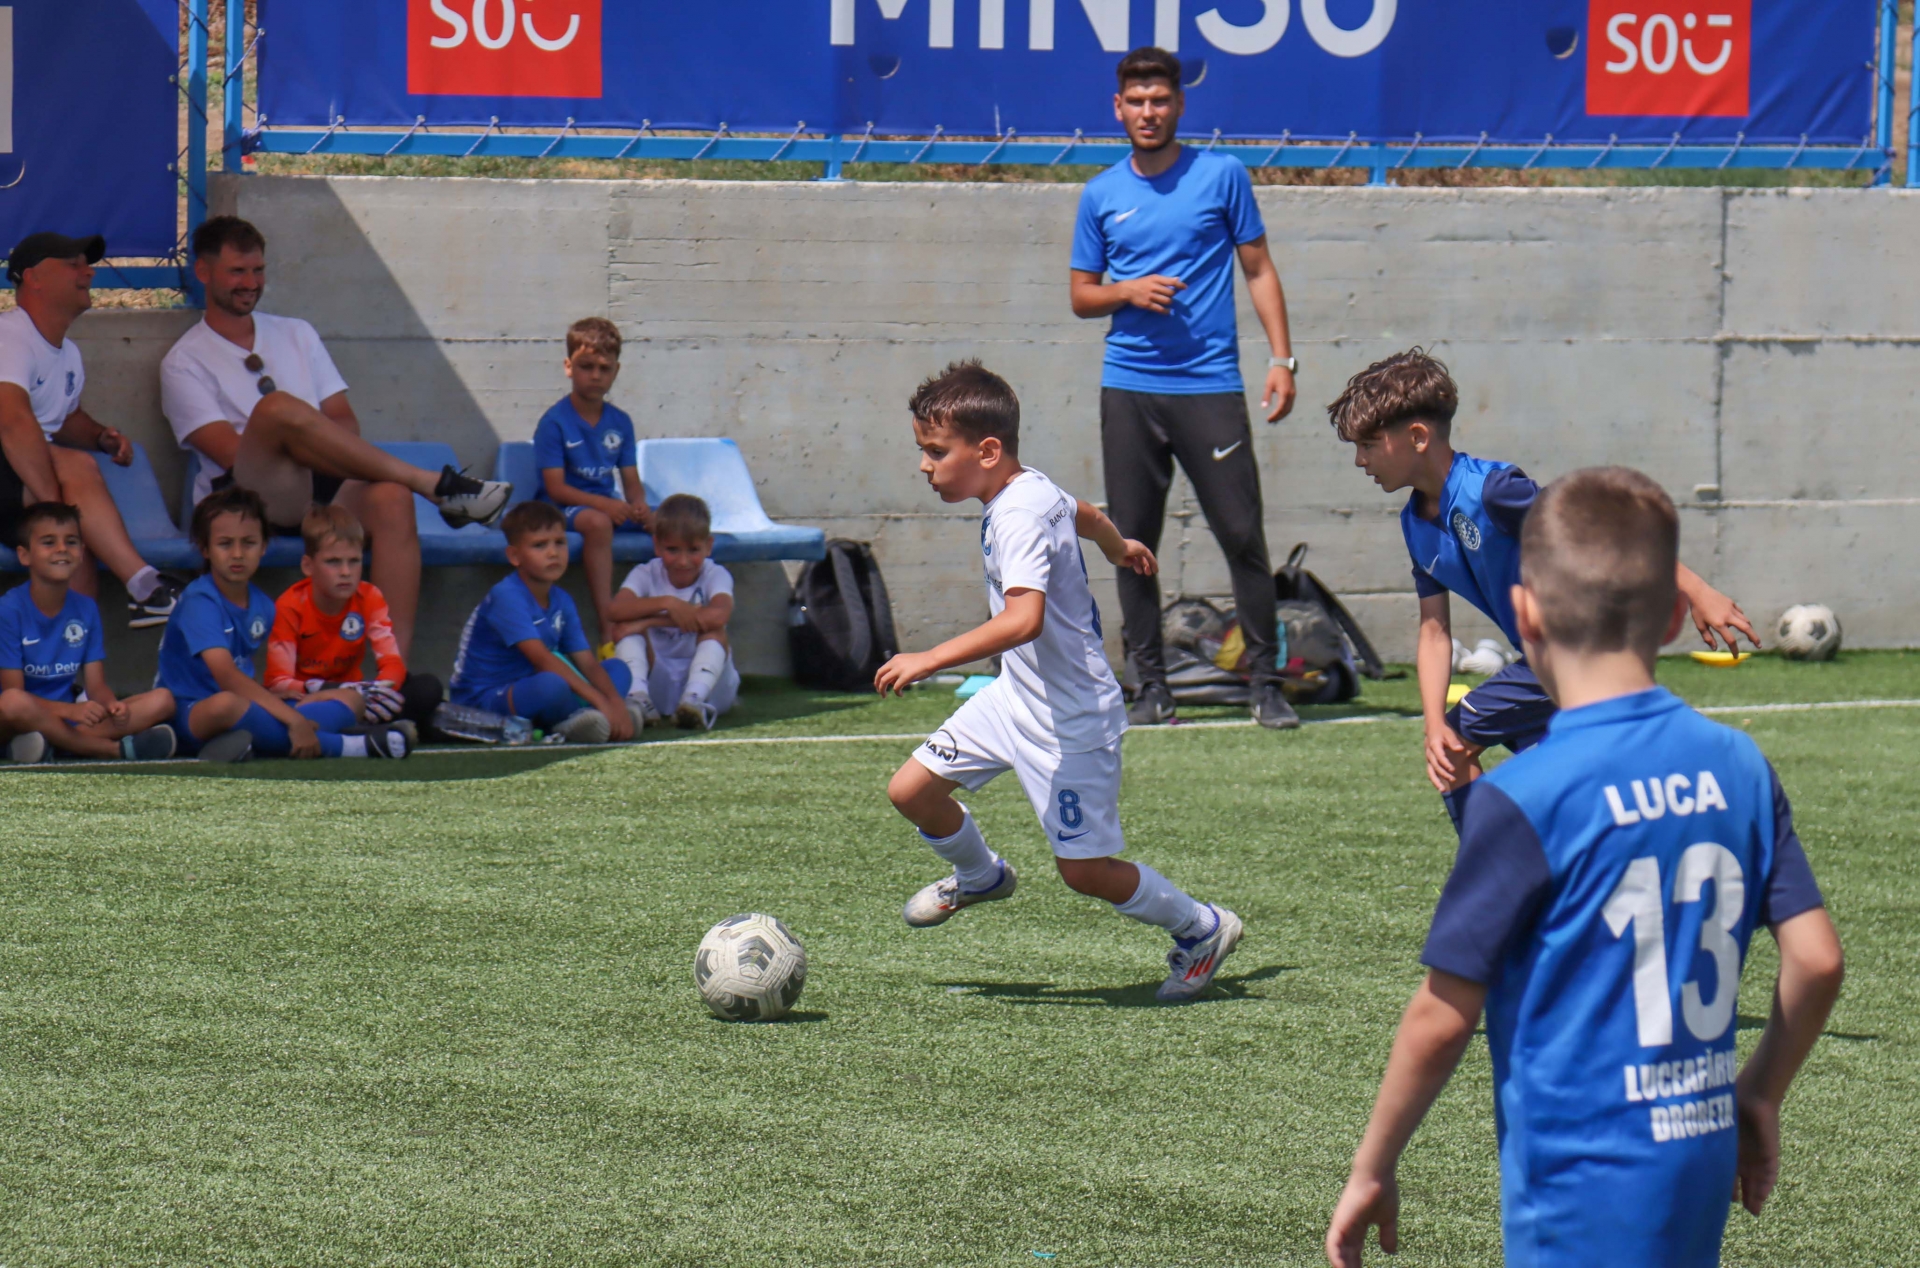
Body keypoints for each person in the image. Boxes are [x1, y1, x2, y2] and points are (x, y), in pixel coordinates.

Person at [1325, 467, 1845, 1268]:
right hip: (1700, 1154)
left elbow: (1443, 1016)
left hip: (1579, 1184)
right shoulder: (1739, 764)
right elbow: (1816, 961)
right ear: (1672, 618)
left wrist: (1373, 1166)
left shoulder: (1521, 796)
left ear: (1525, 612)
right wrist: (1760, 1091)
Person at [875, 360, 1241, 1002]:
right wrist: (1118, 546)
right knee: (911, 791)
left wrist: (930, 658)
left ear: (988, 451)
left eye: (936, 451)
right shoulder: (1029, 488)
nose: (925, 467)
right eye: (923, 452)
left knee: (1085, 872)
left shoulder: (1015, 516)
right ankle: (982, 876)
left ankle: (1202, 928)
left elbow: (1024, 619)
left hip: (1071, 719)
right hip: (1015, 697)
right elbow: (1083, 511)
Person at [1327, 349, 1757, 832]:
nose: (1360, 460)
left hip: (1577, 652)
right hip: (1540, 665)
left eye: (1369, 444)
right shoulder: (1414, 523)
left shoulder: (1493, 490)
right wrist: (1431, 722)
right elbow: (1433, 630)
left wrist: (1698, 589)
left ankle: (1494, 870)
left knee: (1459, 747)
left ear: (1418, 437)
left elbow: (1601, 530)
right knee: (1577, 788)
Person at [1070, 46, 1300, 731]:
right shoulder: (1101, 194)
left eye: (1160, 100)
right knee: (1132, 543)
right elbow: (1082, 296)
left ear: (1179, 105)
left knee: (1242, 536)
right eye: (1137, 101)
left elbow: (1258, 269)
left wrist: (1282, 360)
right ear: (1118, 108)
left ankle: (1267, 685)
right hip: (1129, 390)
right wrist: (1127, 292)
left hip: (1210, 388)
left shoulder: (1223, 176)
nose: (1149, 112)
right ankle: (1150, 687)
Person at [160, 215, 513, 657]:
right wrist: (300, 433)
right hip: (247, 497)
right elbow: (230, 452)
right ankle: (432, 484)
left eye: (258, 270)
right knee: (276, 409)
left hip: (319, 486)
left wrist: (311, 441)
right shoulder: (183, 361)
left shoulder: (296, 332)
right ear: (203, 271)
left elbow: (345, 423)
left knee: (391, 499)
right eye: (237, 271)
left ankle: (390, 671)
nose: (250, 283)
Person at [0, 232, 188, 628]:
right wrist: (57, 512)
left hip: (22, 481)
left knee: (75, 545)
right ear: (33, 278)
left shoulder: (68, 354)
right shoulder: (9, 335)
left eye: (88, 265)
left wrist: (100, 436)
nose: (88, 273)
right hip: (12, 469)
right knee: (74, 493)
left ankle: (76, 656)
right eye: (74, 265)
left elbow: (64, 419)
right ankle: (144, 584)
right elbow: (12, 421)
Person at [156, 485, 408, 763]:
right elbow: (226, 676)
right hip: (191, 711)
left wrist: (284, 702)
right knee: (226, 705)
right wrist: (293, 719)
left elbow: (246, 676)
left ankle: (252, 740)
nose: (238, 554)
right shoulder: (200, 601)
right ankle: (350, 746)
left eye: (249, 543)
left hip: (245, 706)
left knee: (352, 699)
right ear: (205, 549)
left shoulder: (263, 605)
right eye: (225, 544)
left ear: (263, 547)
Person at [447, 501, 639, 744]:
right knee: (551, 686)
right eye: (540, 545)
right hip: (485, 697)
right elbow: (542, 660)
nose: (553, 553)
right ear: (514, 556)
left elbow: (588, 663)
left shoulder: (562, 600)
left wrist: (614, 702)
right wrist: (603, 700)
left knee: (617, 669)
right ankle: (581, 720)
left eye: (559, 542)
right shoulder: (507, 596)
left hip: (531, 685)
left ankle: (597, 718)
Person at [0, 502, 177, 762]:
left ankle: (54, 745)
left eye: (71, 542)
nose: (62, 549)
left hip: (70, 720)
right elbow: (12, 692)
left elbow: (96, 685)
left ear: (82, 552)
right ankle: (111, 750)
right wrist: (69, 711)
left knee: (163, 700)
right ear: (24, 555)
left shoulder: (86, 608)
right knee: (13, 702)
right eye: (49, 542)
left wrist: (111, 705)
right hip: (18, 718)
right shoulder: (9, 609)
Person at [265, 504, 444, 741]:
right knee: (286, 708)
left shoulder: (369, 597)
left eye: (354, 561)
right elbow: (278, 683)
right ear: (308, 566)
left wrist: (377, 692)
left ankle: (364, 726)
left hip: (359, 697)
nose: (346, 572)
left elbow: (392, 662)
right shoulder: (289, 606)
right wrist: (334, 690)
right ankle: (383, 728)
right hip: (310, 699)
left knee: (427, 688)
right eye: (333, 562)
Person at [534, 316, 650, 649]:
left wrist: (639, 506)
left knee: (669, 522)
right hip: (560, 509)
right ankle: (607, 624)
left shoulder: (620, 422)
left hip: (605, 505)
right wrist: (606, 505)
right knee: (598, 524)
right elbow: (555, 489)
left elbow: (631, 480)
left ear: (616, 371)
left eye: (604, 368)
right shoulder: (554, 422)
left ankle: (670, 624)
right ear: (569, 367)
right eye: (586, 367)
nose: (596, 375)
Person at [608, 493, 736, 731]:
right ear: (657, 545)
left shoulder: (716, 574)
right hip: (659, 676)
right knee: (624, 629)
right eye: (673, 549)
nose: (683, 561)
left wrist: (648, 621)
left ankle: (694, 700)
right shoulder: (645, 572)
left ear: (708, 546)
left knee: (714, 631)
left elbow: (719, 615)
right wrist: (668, 602)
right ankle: (639, 698)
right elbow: (614, 609)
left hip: (711, 685)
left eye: (693, 550)